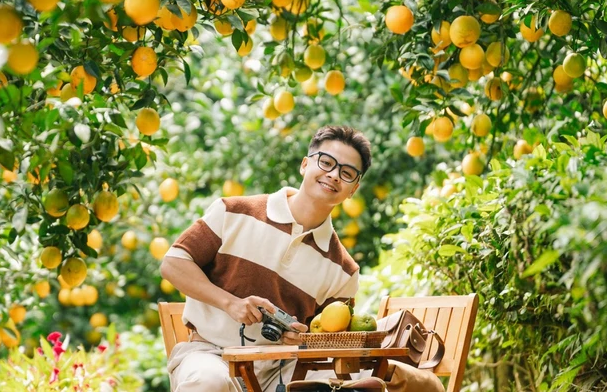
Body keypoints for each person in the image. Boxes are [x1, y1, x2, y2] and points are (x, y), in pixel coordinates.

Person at [160, 125, 444, 392]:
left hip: (284, 370)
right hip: (209, 354)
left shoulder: (344, 271)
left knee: (347, 383)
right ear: (305, 164)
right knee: (208, 382)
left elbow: (328, 340)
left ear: (353, 189)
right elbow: (173, 264)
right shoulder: (233, 211)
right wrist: (231, 304)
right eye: (326, 162)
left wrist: (303, 337)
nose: (334, 175)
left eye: (347, 173)